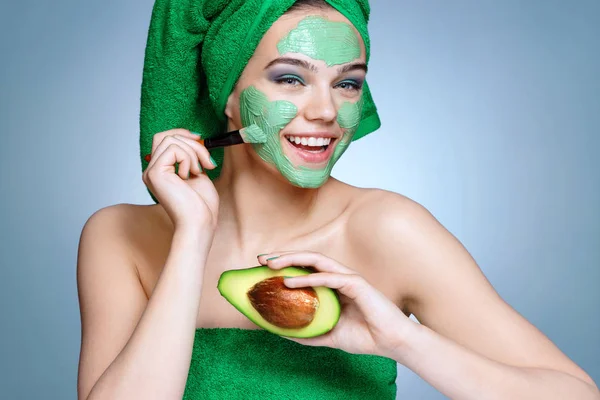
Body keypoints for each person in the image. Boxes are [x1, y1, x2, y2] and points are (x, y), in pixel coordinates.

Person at [76, 0, 600, 399]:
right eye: (290, 78)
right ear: (227, 94)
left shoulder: (387, 229)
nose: (326, 111)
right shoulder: (120, 238)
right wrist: (192, 237)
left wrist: (401, 342)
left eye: (348, 84)